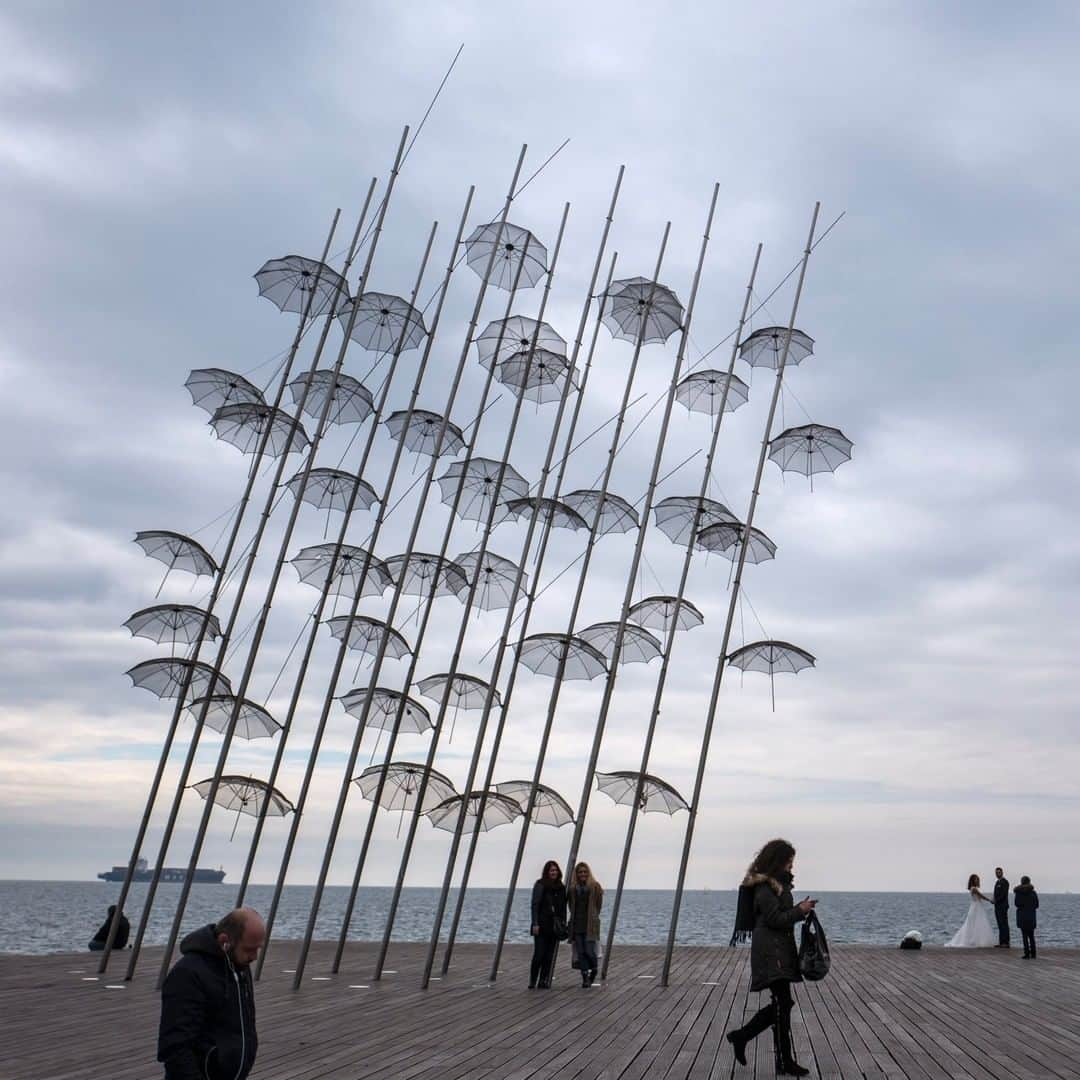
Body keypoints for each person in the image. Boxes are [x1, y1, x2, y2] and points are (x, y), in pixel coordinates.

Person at [725, 839, 816, 1077]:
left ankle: (768, 1051)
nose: (791, 867)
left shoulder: (775, 885)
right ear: (778, 861)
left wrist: (799, 909)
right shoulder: (764, 886)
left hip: (777, 949)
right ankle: (771, 1053)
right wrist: (800, 911)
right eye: (789, 862)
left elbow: (778, 914)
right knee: (782, 1004)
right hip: (770, 952)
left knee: (782, 1005)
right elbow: (774, 918)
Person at [158, 907, 264, 1080]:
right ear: (224, 941)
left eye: (257, 948)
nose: (254, 956)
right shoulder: (188, 974)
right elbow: (174, 1047)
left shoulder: (238, 967)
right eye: (249, 949)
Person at [529, 859, 567, 989]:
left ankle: (543, 980)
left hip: (554, 927)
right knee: (539, 954)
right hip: (541, 925)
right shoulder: (540, 885)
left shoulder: (561, 888)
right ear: (547, 871)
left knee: (549, 956)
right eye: (551, 870)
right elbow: (535, 905)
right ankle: (533, 980)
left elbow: (562, 908)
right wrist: (535, 923)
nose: (554, 872)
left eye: (555, 870)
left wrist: (563, 924)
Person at [566, 861, 602, 988]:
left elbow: (598, 905)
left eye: (585, 872)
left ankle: (594, 969)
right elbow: (571, 906)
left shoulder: (595, 887)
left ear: (588, 873)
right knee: (580, 952)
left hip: (590, 925)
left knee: (589, 951)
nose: (583, 874)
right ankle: (585, 977)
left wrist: (593, 917)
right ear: (576, 874)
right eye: (580, 872)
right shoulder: (572, 889)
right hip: (577, 924)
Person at [944, 874, 997, 948]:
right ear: (972, 880)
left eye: (977, 879)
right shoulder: (974, 888)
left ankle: (975, 940)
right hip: (976, 907)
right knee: (974, 923)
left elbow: (980, 896)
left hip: (977, 906)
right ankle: (973, 940)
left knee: (977, 923)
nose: (977, 880)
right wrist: (990, 900)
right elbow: (981, 896)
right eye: (975, 879)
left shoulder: (974, 888)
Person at [1014, 876, 1039, 959]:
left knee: (1024, 936)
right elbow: (1036, 905)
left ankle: (1026, 954)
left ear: (1021, 882)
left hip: (1022, 916)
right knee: (1031, 936)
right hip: (1031, 916)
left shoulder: (1018, 892)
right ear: (1029, 882)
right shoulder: (1033, 893)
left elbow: (1017, 904)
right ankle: (1034, 953)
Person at [993, 867, 1010, 947]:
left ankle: (1006, 942)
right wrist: (994, 900)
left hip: (1003, 906)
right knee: (1000, 924)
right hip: (997, 906)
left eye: (999, 872)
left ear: (1002, 873)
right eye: (996, 872)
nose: (997, 874)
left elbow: (1003, 895)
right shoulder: (997, 882)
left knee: (1004, 924)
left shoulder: (1005, 882)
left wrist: (996, 901)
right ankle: (1001, 942)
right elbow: (996, 894)